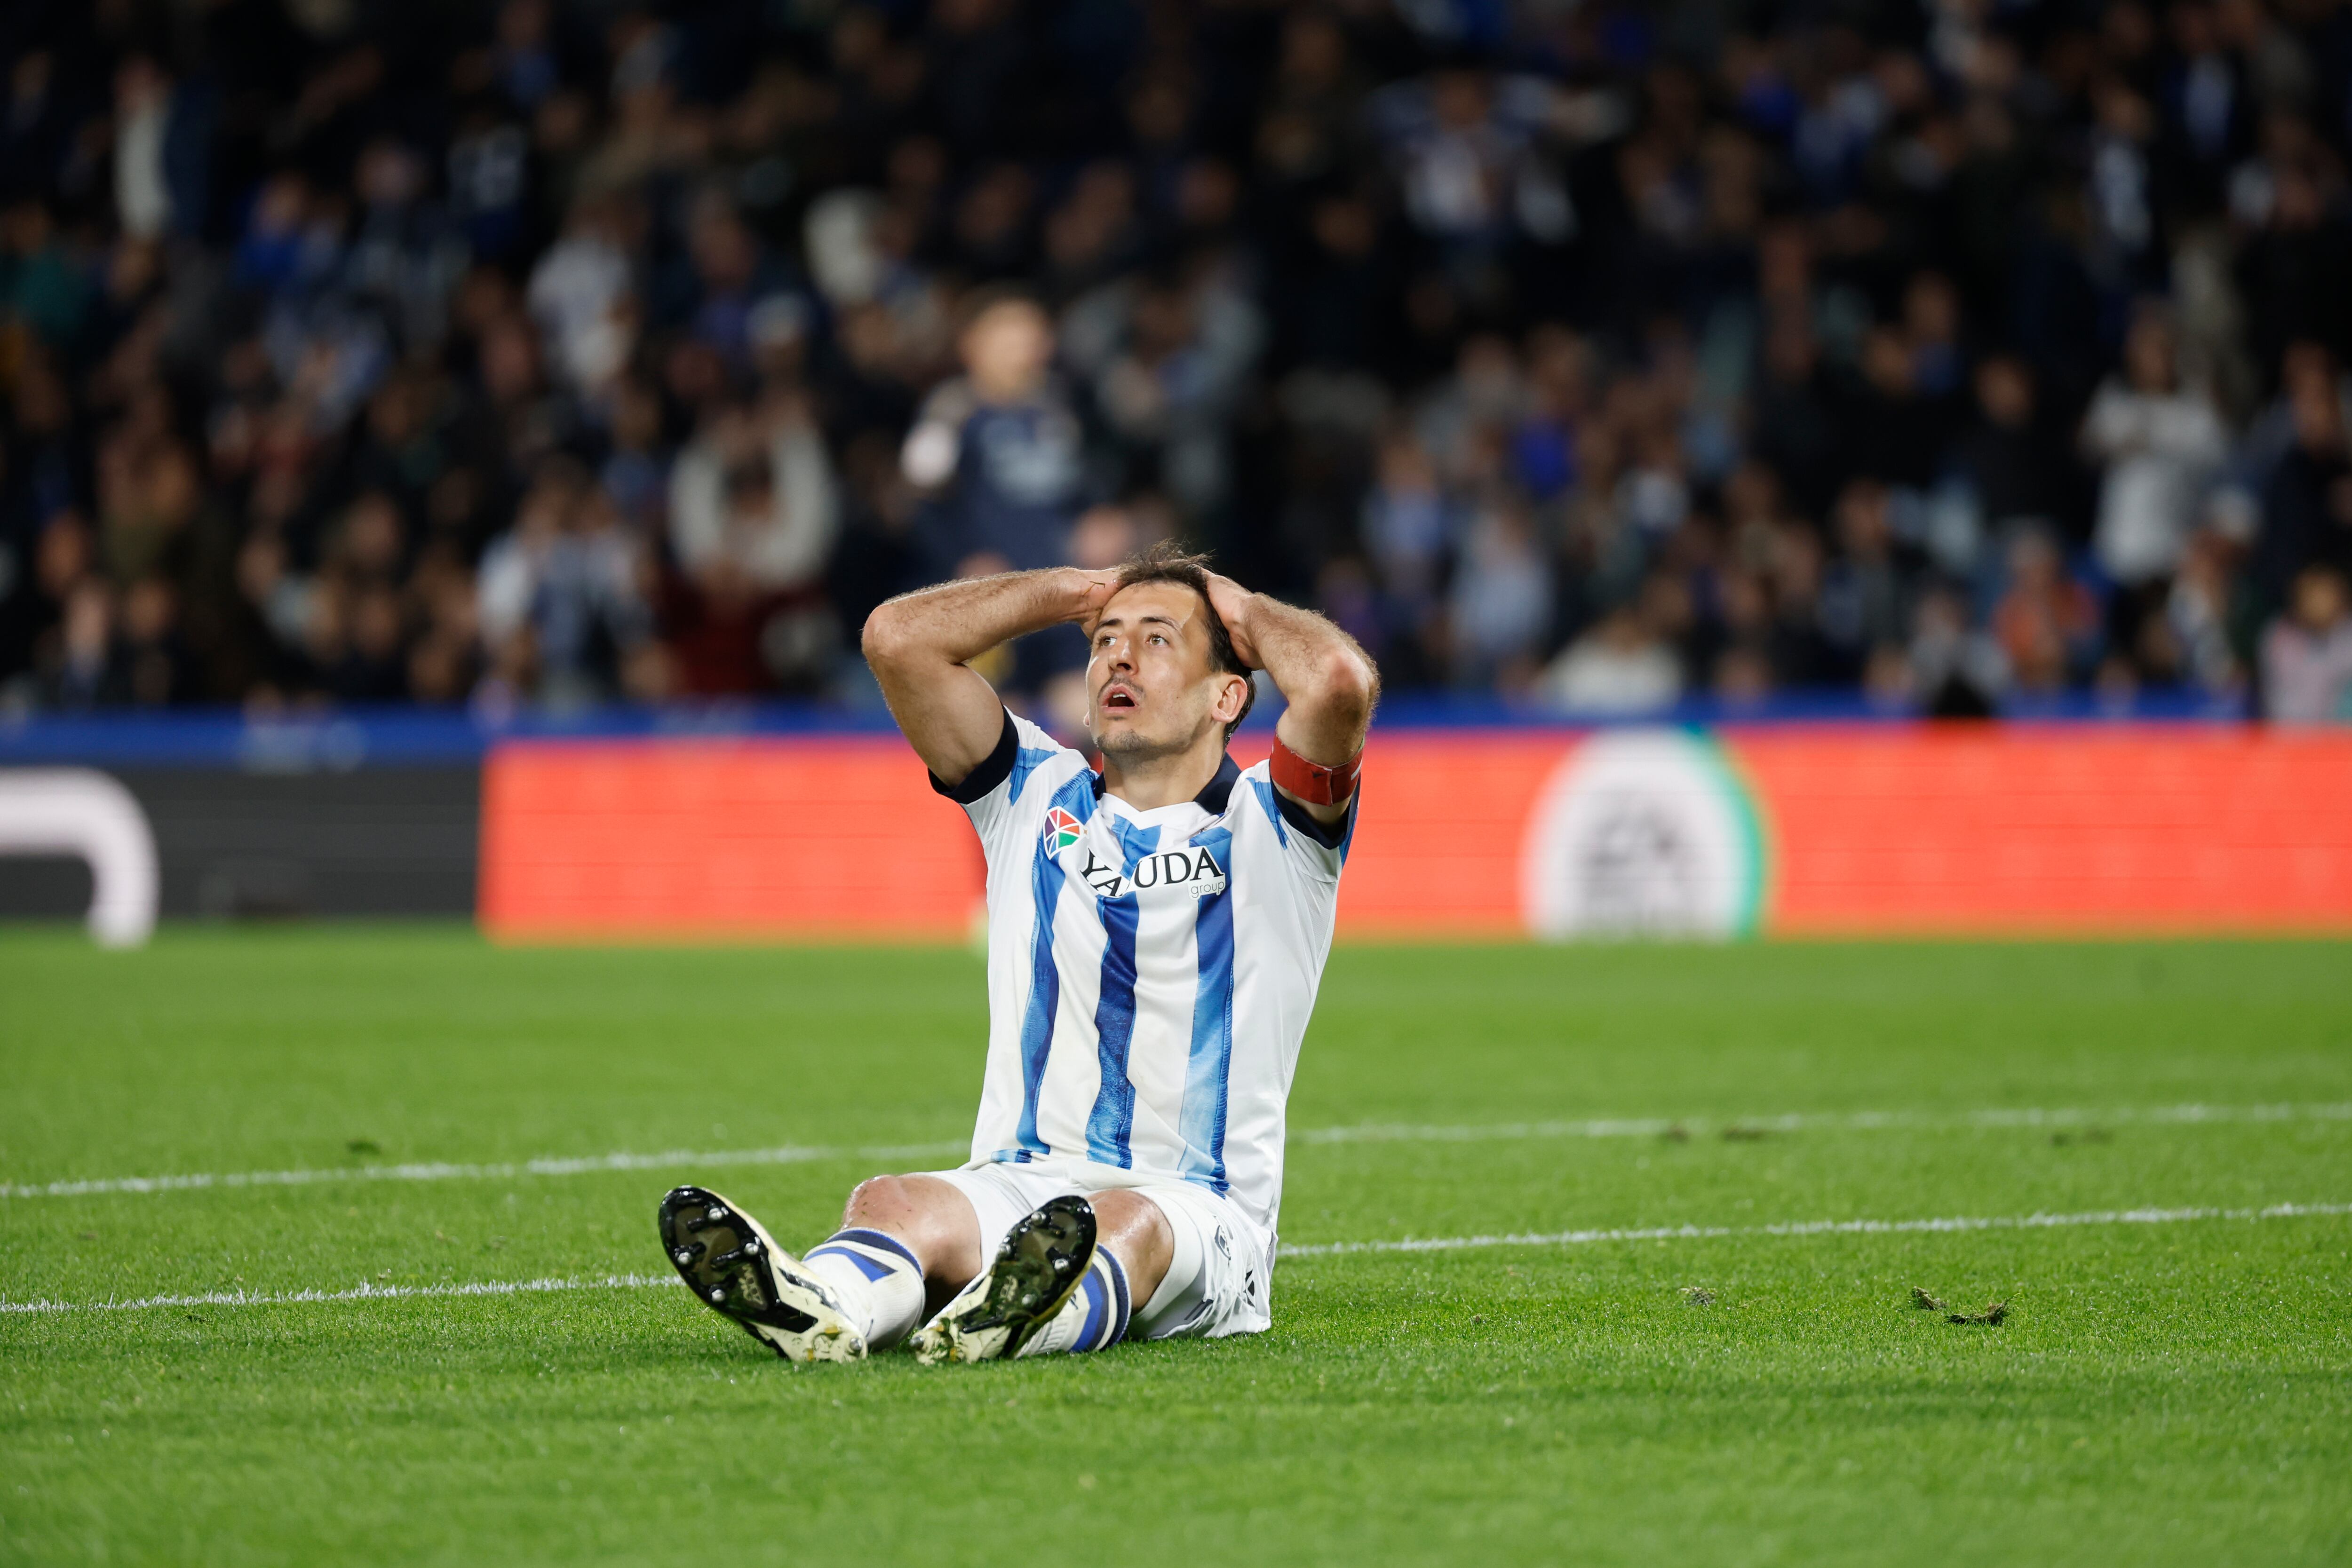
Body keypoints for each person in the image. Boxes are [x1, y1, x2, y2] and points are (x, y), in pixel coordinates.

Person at [657, 542, 1377, 1363]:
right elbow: (896, 639)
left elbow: (1338, 681)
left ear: (1229, 694)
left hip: (1199, 1208)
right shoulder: (1032, 792)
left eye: (1156, 639)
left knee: (1123, 1224)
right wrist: (1074, 590)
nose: (1119, 655)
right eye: (1104, 639)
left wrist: (1236, 606)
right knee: (892, 1201)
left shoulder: (1276, 826)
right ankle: (828, 1307)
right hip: (1021, 1185)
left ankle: (1026, 1317)